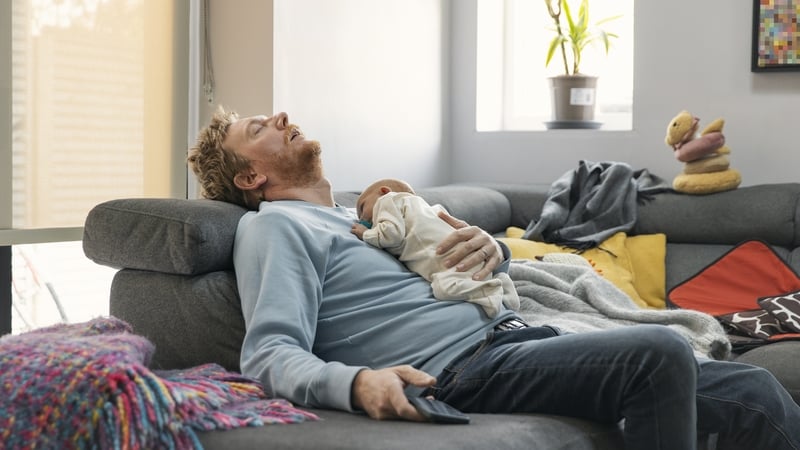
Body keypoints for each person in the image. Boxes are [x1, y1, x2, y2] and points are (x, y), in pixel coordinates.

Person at [188, 106, 800, 450]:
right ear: (249, 178)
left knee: (755, 390)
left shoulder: (365, 215)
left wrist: (492, 250)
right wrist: (356, 383)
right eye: (257, 128)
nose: (280, 115)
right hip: (463, 370)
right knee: (658, 352)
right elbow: (268, 352)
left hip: (517, 338)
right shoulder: (275, 229)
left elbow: (460, 270)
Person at [351, 177, 519, 318]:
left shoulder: (388, 201)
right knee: (468, 277)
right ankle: (500, 282)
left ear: (384, 191)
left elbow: (391, 235)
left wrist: (366, 233)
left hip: (448, 263)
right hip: (467, 259)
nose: (362, 218)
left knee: (444, 289)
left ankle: (490, 292)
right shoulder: (429, 209)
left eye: (362, 208)